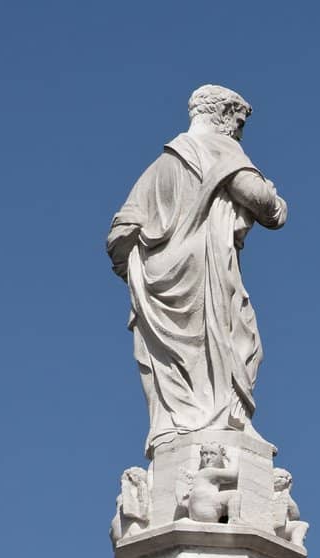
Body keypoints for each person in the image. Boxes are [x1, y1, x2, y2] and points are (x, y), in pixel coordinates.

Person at [107, 85, 287, 452]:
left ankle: (173, 426)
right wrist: (275, 197)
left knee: (172, 359)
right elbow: (266, 207)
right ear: (221, 115)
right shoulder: (217, 148)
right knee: (239, 341)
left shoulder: (159, 166)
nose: (238, 132)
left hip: (160, 279)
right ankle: (227, 420)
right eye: (237, 123)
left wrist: (148, 260)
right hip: (204, 269)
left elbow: (119, 233)